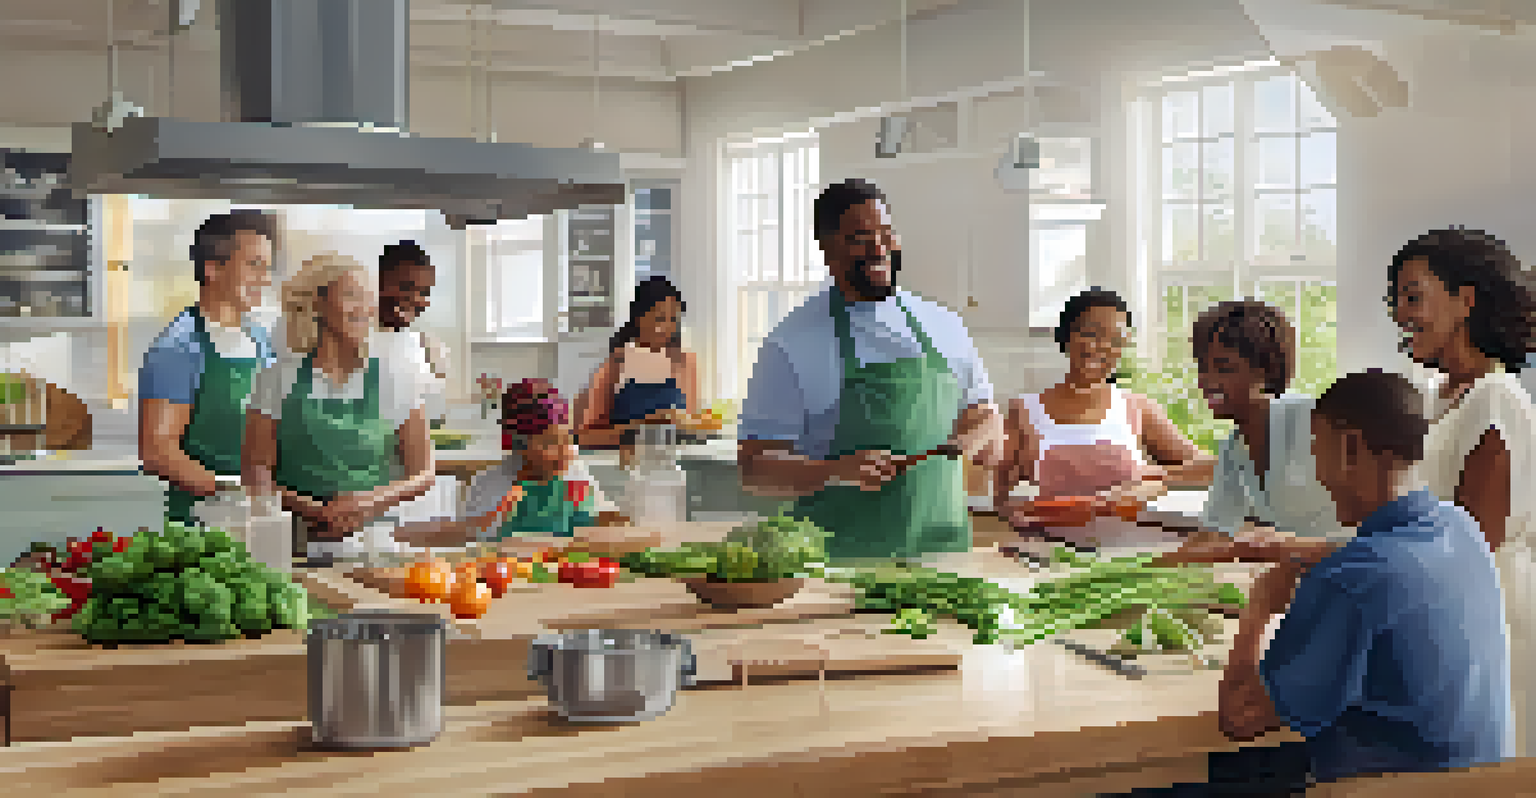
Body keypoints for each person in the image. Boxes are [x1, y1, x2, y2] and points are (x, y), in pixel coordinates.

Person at [1123, 371, 1513, 795]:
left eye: (1315, 450)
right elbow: (1394, 562)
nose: (1317, 474)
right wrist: (1302, 553)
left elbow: (1240, 715)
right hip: (1484, 786)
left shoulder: (1350, 581)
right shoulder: (1462, 529)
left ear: (1348, 449)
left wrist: (1258, 609)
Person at [737, 178, 1003, 562]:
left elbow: (988, 419)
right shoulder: (791, 343)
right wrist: (834, 470)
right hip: (839, 566)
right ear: (827, 249)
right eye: (860, 238)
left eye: (886, 233)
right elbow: (754, 469)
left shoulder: (944, 325)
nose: (879, 248)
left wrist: (973, 440)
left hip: (943, 558)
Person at [1387, 227, 1536, 757]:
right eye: (1396, 300)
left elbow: (1473, 545)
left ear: (1465, 299)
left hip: (1488, 618)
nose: (1401, 314)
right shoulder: (1438, 396)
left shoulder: (1494, 398)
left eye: (1413, 296)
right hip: (1443, 608)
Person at [242, 253, 436, 561]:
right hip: (294, 543)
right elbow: (256, 473)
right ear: (318, 304)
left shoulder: (396, 375)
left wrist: (366, 502)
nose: (364, 309)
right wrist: (317, 512)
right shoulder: (276, 378)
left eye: (367, 298)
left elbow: (423, 473)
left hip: (376, 542)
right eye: (351, 296)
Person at [994, 288, 1213, 543]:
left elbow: (1209, 469)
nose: (1103, 347)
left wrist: (1154, 478)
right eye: (1091, 334)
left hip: (1134, 552)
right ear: (1065, 337)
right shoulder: (1024, 411)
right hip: (1051, 553)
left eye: (1116, 340)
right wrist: (1013, 512)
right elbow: (1002, 495)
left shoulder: (1138, 407)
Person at [139, 210, 279, 525]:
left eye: (267, 268)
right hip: (199, 525)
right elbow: (158, 450)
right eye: (254, 265)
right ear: (213, 269)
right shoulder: (180, 345)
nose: (265, 279)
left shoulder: (260, 339)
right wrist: (234, 493)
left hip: (258, 517)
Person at [397, 379, 625, 547]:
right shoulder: (491, 485)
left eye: (568, 440)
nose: (565, 453)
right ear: (520, 445)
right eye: (550, 444)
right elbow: (468, 536)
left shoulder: (574, 472)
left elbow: (603, 518)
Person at [1193, 300, 1343, 541]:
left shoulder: (1315, 423)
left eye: (1224, 368)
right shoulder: (1234, 447)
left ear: (1267, 370)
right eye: (1202, 367)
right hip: (1307, 570)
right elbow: (1215, 532)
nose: (1206, 381)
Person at [374, 240, 458, 524]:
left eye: (424, 292)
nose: (418, 300)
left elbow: (432, 417)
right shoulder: (350, 342)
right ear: (378, 282)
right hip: (365, 491)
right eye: (406, 287)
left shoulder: (421, 346)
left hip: (416, 491)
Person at [573, 276, 699, 449]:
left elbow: (689, 423)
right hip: (626, 465)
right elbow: (584, 437)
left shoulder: (685, 363)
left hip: (674, 464)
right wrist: (641, 429)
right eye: (660, 319)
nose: (668, 327)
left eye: (673, 320)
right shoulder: (615, 365)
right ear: (639, 317)